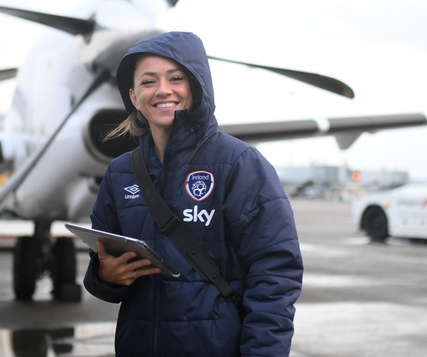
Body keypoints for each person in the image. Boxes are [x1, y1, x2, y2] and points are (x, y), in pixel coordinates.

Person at [83, 31, 303, 356]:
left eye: (176, 78)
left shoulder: (240, 164)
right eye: (148, 81)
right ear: (133, 96)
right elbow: (103, 266)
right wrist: (105, 275)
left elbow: (276, 272)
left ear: (196, 86)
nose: (162, 90)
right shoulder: (120, 173)